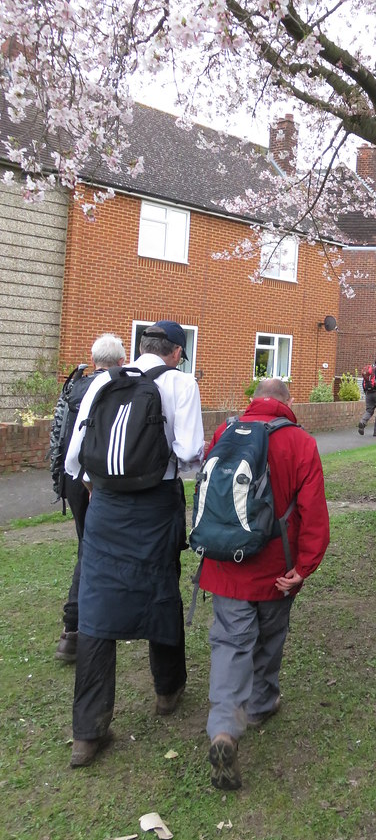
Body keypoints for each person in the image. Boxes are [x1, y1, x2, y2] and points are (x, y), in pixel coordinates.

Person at [64, 320, 205, 767]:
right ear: (176, 352)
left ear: (141, 346)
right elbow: (189, 452)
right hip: (155, 506)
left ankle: (87, 734)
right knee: (161, 591)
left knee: (96, 606)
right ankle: (167, 690)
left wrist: (99, 490)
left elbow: (75, 459)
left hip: (106, 507)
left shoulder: (102, 382)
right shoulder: (181, 384)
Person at [198, 377, 330, 790]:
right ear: (288, 402)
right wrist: (305, 567)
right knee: (270, 636)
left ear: (254, 400)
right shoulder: (300, 443)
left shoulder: (225, 432)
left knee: (230, 642)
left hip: (227, 564)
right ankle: (260, 702)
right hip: (277, 567)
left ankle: (224, 728)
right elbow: (313, 511)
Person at [55, 333, 126, 664]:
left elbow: (59, 435)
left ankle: (80, 626)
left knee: (88, 544)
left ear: (94, 358)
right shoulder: (114, 388)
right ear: (121, 361)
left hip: (72, 479)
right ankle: (74, 628)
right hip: (95, 479)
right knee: (92, 550)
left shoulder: (74, 387)